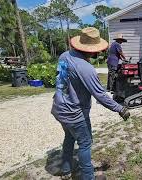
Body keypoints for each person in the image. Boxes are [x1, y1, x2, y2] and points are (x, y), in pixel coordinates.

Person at [51, 27, 130, 180]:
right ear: (91, 50)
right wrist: (120, 108)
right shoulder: (86, 68)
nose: (98, 53)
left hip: (59, 108)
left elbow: (60, 78)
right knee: (85, 143)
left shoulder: (64, 56)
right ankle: (88, 177)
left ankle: (66, 169)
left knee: (69, 137)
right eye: (97, 50)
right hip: (74, 113)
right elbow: (100, 95)